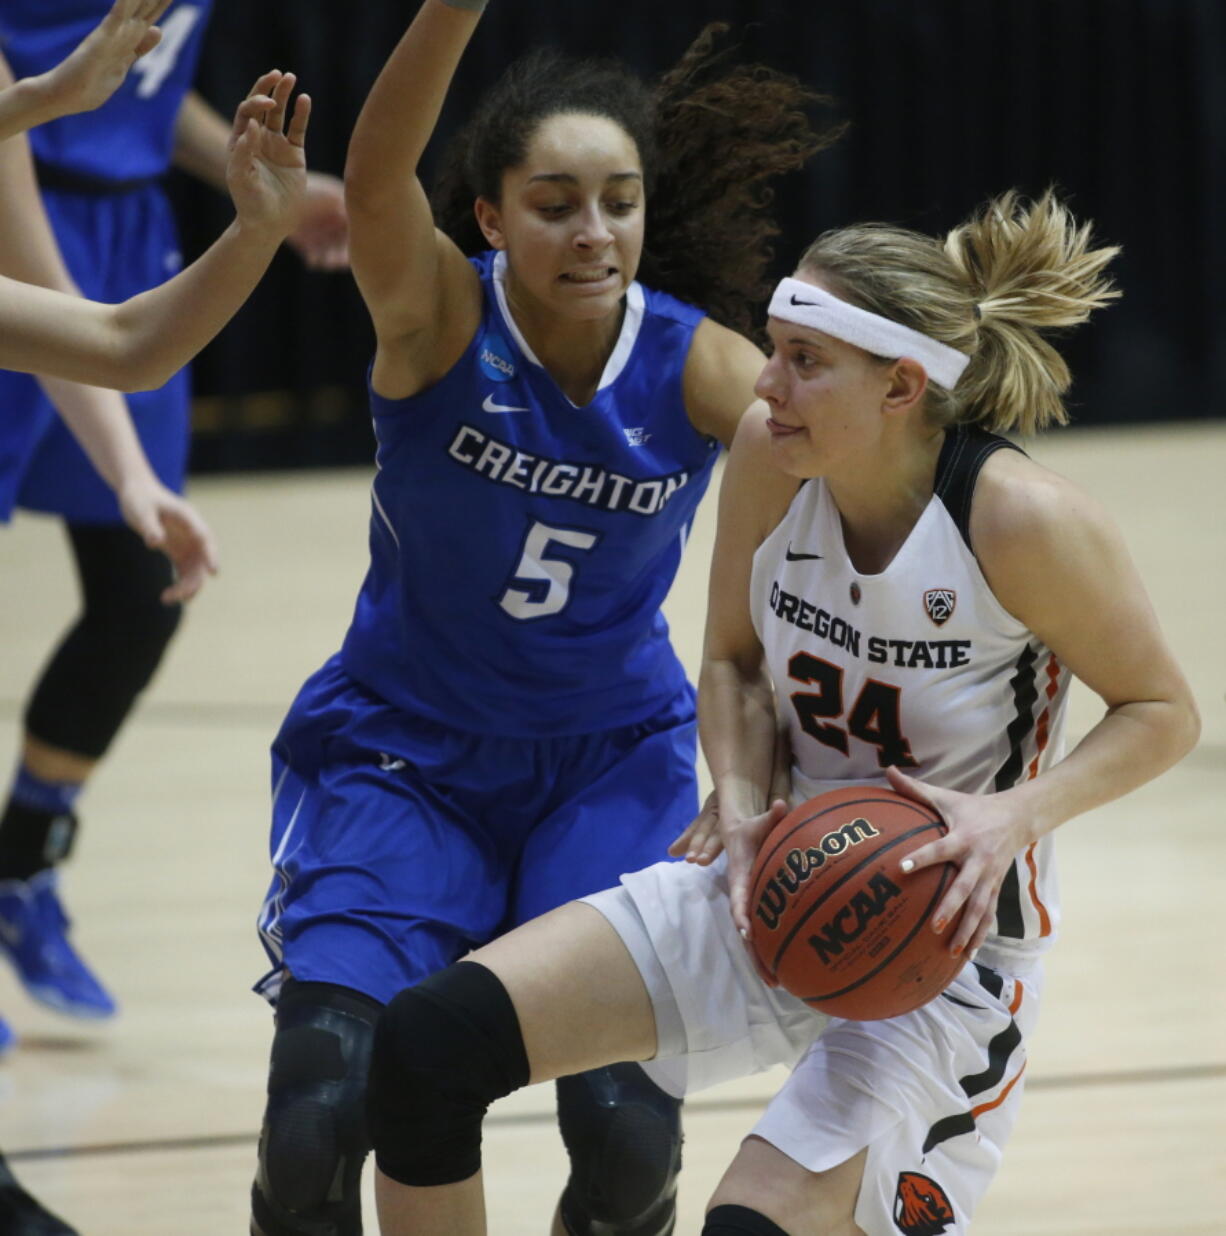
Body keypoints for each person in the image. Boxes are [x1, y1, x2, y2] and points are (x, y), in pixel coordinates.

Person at [361, 188, 1201, 1236]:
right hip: (778, 866)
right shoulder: (770, 449)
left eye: (804, 359)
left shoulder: (1019, 520)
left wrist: (1012, 817)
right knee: (429, 1044)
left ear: (899, 385)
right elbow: (730, 661)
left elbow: (1162, 710)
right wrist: (744, 797)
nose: (764, 383)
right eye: (772, 347)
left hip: (945, 937)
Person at [247, 3, 840, 1235]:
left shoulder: (697, 366)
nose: (593, 230)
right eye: (555, 201)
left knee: (627, 1141)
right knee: (315, 1121)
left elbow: (850, 477)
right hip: (402, 757)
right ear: (488, 216)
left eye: (617, 200)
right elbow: (371, 177)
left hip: (606, 766)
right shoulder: (436, 319)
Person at [0, 7, 314, 1230]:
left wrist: (255, 228)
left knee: (137, 595)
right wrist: (42, 104)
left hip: (94, 223)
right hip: (50, 195)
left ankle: (26, 856)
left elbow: (127, 341)